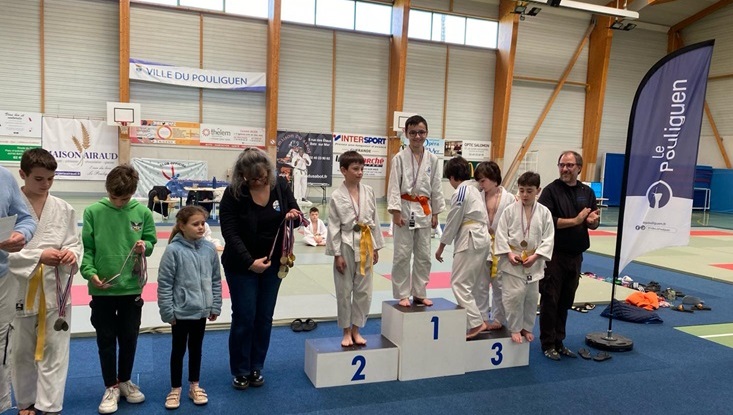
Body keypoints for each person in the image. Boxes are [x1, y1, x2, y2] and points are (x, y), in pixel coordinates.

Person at [220, 147, 301, 390]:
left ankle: (256, 366)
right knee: (244, 316)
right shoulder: (233, 193)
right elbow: (230, 233)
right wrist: (249, 262)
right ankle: (240, 369)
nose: (258, 182)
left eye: (263, 177)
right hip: (241, 265)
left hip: (274, 264)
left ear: (269, 172)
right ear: (242, 175)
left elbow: (296, 215)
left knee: (264, 317)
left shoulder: (280, 186)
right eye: (253, 178)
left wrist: (294, 215)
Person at [7, 149, 81, 415]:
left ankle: (50, 405)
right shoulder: (7, 208)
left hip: (56, 290)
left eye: (50, 178)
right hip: (19, 289)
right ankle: (26, 402)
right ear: (22, 174)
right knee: (20, 352)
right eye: (39, 179)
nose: (46, 184)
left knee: (56, 350)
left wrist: (71, 254)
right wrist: (39, 256)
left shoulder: (64, 208)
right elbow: (3, 252)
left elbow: (74, 242)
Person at [80, 165, 157, 414]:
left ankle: (124, 381)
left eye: (123, 199)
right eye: (114, 197)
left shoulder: (143, 213)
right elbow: (88, 249)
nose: (118, 202)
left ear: (133, 193)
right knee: (105, 339)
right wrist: (89, 273)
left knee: (129, 338)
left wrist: (145, 246)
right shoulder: (93, 212)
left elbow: (151, 241)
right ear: (107, 190)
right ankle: (110, 386)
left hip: (131, 288)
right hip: (102, 289)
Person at [157, 206, 222, 410]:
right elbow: (164, 284)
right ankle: (175, 388)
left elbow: (216, 279)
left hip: (201, 311)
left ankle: (194, 385)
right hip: (180, 312)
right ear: (182, 226)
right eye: (195, 224)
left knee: (196, 349)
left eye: (203, 223)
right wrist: (167, 311)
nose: (201, 227)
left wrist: (215, 304)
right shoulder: (173, 251)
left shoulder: (209, 249)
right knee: (178, 351)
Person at [538, 151, 599, 361]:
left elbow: (594, 220)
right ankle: (547, 344)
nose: (565, 169)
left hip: (576, 255)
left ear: (579, 168)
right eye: (562, 165)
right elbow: (546, 222)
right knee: (550, 300)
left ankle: (559, 341)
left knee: (566, 300)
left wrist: (592, 222)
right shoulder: (550, 191)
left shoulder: (587, 192)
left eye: (569, 165)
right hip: (554, 255)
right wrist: (575, 221)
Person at [326, 151, 385, 347]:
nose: (360, 172)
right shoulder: (336, 196)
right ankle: (345, 332)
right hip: (345, 244)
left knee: (364, 291)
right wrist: (337, 254)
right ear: (343, 170)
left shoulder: (369, 191)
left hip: (366, 242)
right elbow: (333, 226)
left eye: (362, 169)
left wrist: (376, 247)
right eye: (355, 169)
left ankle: (356, 330)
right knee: (344, 291)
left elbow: (375, 219)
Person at [387, 115, 445, 307]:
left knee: (424, 255)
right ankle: (403, 293)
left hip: (424, 210)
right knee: (402, 254)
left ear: (426, 133)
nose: (417, 136)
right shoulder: (399, 158)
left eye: (421, 132)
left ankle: (420, 292)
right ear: (406, 134)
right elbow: (394, 185)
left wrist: (436, 213)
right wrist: (395, 212)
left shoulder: (433, 159)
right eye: (413, 133)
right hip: (404, 209)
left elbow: (436, 187)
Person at [494, 172, 554, 344]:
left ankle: (526, 327)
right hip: (512, 260)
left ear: (538, 191)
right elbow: (501, 234)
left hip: (534, 260)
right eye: (521, 190)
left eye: (529, 191)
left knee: (531, 297)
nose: (525, 195)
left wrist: (536, 256)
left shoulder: (544, 212)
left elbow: (549, 238)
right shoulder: (509, 210)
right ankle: (514, 328)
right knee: (514, 296)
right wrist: (508, 253)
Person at [434, 157, 490, 339]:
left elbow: (453, 221)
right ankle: (478, 318)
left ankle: (476, 322)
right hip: (481, 237)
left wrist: (441, 247)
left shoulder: (461, 191)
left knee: (459, 283)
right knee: (472, 284)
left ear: (451, 177)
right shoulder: (475, 188)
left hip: (471, 237)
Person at [0, 165, 36, 413]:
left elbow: (25, 218)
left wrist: (21, 234)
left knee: (2, 345)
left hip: (2, 278)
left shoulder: (4, 177)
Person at [474, 161, 516, 331]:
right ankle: (482, 318)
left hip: (501, 246)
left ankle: (498, 318)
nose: (480, 184)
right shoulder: (477, 197)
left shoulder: (509, 198)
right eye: (479, 181)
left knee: (500, 285)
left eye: (483, 180)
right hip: (482, 245)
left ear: (493, 178)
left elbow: (514, 224)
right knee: (480, 284)